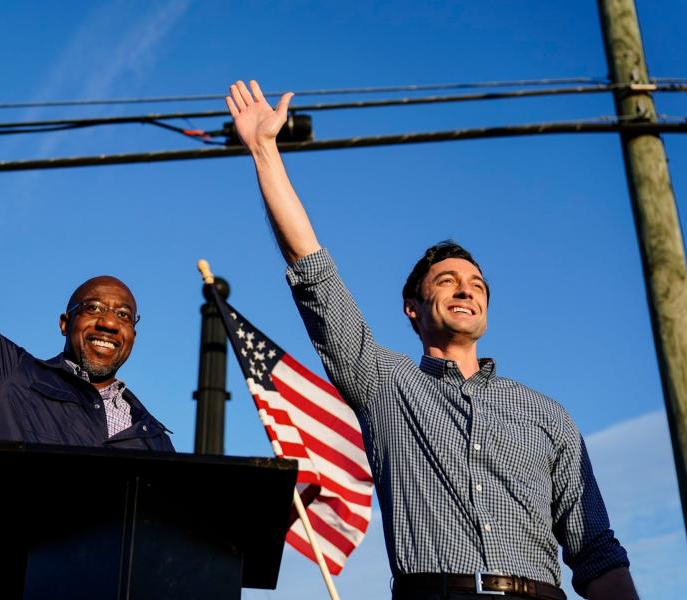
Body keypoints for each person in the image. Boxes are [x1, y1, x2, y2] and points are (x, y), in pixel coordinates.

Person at [225, 79, 637, 600]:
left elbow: (596, 550)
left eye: (477, 284)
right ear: (413, 309)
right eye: (446, 281)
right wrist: (264, 151)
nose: (466, 288)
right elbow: (312, 269)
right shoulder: (383, 382)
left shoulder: (549, 416)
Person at [0, 43, 174, 600]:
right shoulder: (4, 378)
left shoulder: (152, 440)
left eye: (123, 315)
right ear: (64, 323)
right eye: (93, 308)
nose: (107, 321)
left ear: (134, 334)